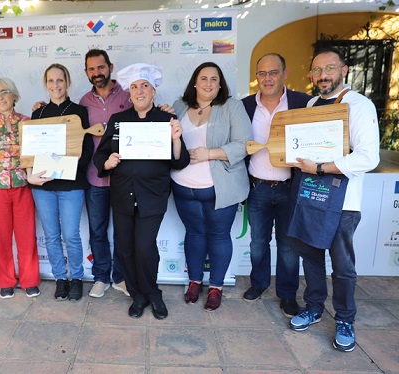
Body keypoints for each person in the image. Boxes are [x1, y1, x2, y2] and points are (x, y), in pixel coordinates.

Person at [289, 48, 380, 352]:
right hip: (312, 195)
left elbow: (368, 156)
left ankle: (345, 319)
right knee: (312, 259)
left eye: (329, 68)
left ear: (344, 70)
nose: (323, 75)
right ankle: (314, 307)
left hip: (343, 204)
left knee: (342, 267)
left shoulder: (359, 105)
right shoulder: (313, 104)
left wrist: (320, 167)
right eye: (316, 70)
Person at [93, 63, 190, 320]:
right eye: (134, 87)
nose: (139, 91)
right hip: (123, 194)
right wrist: (107, 162)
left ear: (153, 91)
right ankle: (137, 295)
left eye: (144, 86)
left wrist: (177, 139)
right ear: (129, 93)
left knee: (145, 247)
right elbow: (100, 154)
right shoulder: (117, 121)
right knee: (125, 248)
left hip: (153, 195)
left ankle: (153, 293)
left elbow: (180, 161)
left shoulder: (166, 120)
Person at [171, 62, 252, 312]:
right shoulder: (179, 106)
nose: (208, 83)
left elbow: (245, 144)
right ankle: (195, 281)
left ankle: (216, 286)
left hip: (219, 187)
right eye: (203, 78)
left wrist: (210, 153)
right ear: (194, 81)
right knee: (194, 234)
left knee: (218, 236)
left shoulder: (232, 106)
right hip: (183, 186)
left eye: (214, 79)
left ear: (220, 84)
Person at [241, 53, 312, 317]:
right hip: (257, 187)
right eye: (262, 73)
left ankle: (287, 294)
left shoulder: (302, 103)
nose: (267, 78)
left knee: (288, 245)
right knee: (258, 242)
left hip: (289, 187)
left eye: (273, 72)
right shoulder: (245, 106)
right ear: (256, 77)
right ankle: (258, 284)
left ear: (285, 73)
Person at [28, 63, 93, 302]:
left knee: (71, 234)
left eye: (60, 80)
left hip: (71, 184)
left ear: (67, 82)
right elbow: (31, 151)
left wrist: (67, 169)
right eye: (51, 81)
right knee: (52, 235)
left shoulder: (79, 112)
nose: (55, 85)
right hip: (43, 186)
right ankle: (60, 279)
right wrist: (35, 172)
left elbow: (86, 150)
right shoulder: (38, 114)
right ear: (46, 84)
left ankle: (76, 278)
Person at [0, 77, 40, 299]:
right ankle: (6, 281)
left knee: (27, 236)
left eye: (4, 92)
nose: (0, 97)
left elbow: (33, 157)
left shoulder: (27, 122)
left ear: (14, 95)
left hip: (23, 187)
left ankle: (30, 280)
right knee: (0, 237)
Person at [79, 49, 130, 298]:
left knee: (123, 230)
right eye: (91, 69)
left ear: (110, 66)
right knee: (97, 230)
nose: (96, 73)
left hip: (124, 176)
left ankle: (120, 277)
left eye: (100, 67)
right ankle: (101, 276)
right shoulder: (82, 103)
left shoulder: (130, 95)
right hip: (94, 176)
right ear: (86, 72)